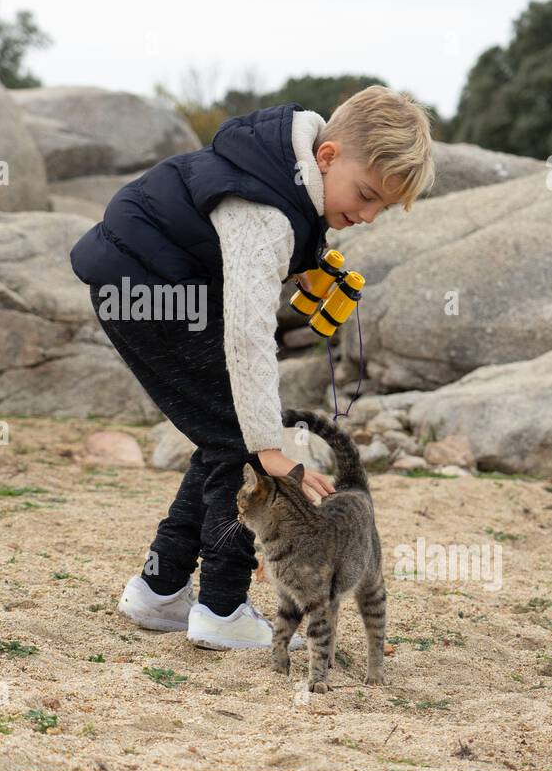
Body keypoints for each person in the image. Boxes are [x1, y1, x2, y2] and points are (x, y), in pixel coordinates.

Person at [70, 86, 434, 649]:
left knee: (223, 432)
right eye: (364, 195)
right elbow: (247, 332)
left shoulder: (276, 169)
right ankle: (222, 607)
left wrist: (306, 266)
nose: (365, 215)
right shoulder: (265, 212)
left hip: (151, 283)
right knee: (240, 443)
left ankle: (159, 588)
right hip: (149, 294)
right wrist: (267, 444)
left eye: (379, 208)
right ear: (328, 156)